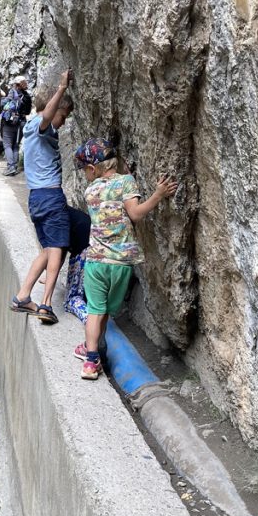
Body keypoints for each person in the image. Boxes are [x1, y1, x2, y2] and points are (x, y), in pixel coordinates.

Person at [73, 138, 177, 380]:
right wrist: (158, 194)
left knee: (94, 310)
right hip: (121, 262)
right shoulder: (126, 182)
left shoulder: (90, 191)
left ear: (92, 169)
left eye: (84, 170)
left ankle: (90, 359)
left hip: (96, 262)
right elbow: (135, 213)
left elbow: (118, 205)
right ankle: (95, 349)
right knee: (107, 310)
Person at [9, 70, 74, 324]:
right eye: (64, 115)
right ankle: (45, 305)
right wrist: (61, 88)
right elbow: (48, 116)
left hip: (36, 198)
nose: (64, 121)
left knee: (47, 250)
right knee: (58, 247)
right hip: (49, 195)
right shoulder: (40, 125)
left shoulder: (28, 128)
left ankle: (23, 297)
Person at [0, 76, 32, 176]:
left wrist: (3, 96)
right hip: (21, 123)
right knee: (15, 145)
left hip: (10, 123)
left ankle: (11, 167)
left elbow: (3, 104)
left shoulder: (12, 92)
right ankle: (15, 167)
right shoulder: (27, 96)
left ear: (16, 84)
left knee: (7, 144)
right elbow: (28, 111)